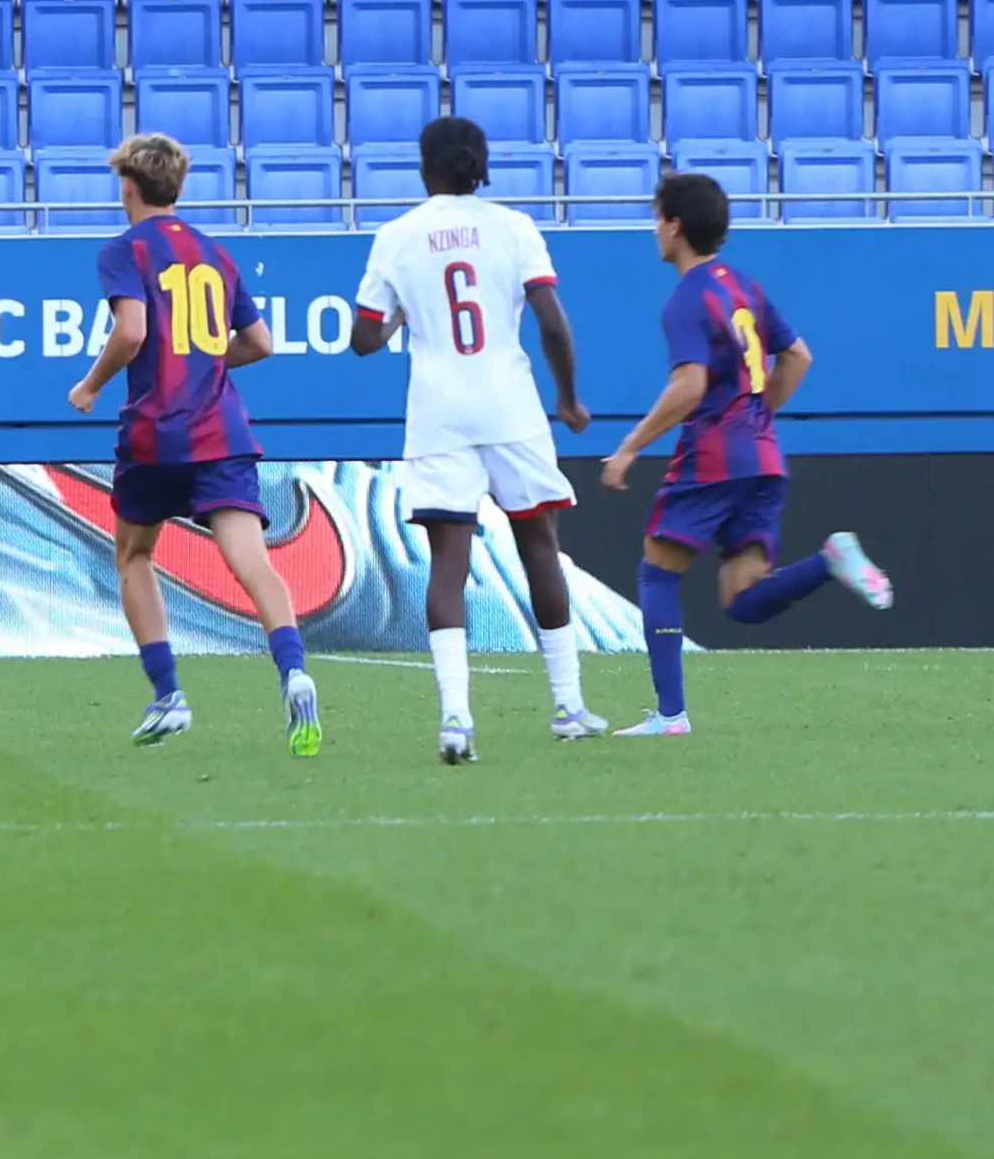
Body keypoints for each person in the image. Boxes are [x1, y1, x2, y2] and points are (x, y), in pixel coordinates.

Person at [350, 117, 613, 764]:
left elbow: (363, 339)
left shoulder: (398, 236)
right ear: (481, 165)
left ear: (425, 167)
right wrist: (569, 396)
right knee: (539, 546)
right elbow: (551, 320)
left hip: (439, 412)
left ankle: (456, 719)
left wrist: (402, 317)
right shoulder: (514, 227)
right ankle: (568, 706)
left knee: (448, 561)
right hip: (509, 406)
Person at [598, 173, 894, 736]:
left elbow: (688, 386)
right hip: (763, 458)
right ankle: (830, 560)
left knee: (657, 573)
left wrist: (628, 449)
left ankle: (670, 717)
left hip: (710, 456)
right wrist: (755, 419)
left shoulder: (686, 298)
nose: (654, 228)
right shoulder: (745, 287)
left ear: (676, 225)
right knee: (743, 599)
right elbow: (799, 357)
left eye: (658, 217)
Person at [66, 133, 320, 754]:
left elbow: (131, 332)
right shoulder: (216, 254)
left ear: (129, 186)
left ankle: (169, 695)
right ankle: (294, 672)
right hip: (222, 431)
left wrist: (91, 384)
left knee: (134, 555)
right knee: (252, 561)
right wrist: (207, 359)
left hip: (157, 430)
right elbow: (260, 343)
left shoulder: (124, 250)